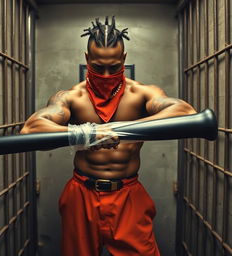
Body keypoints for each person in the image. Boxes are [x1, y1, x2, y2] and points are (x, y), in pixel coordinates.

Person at [21, 16, 196, 256]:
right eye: (97, 67)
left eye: (113, 67)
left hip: (128, 196)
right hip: (81, 195)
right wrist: (86, 133)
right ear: (86, 59)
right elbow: (31, 129)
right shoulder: (72, 97)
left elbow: (185, 112)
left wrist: (122, 128)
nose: (105, 74)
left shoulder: (141, 94)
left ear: (124, 59)